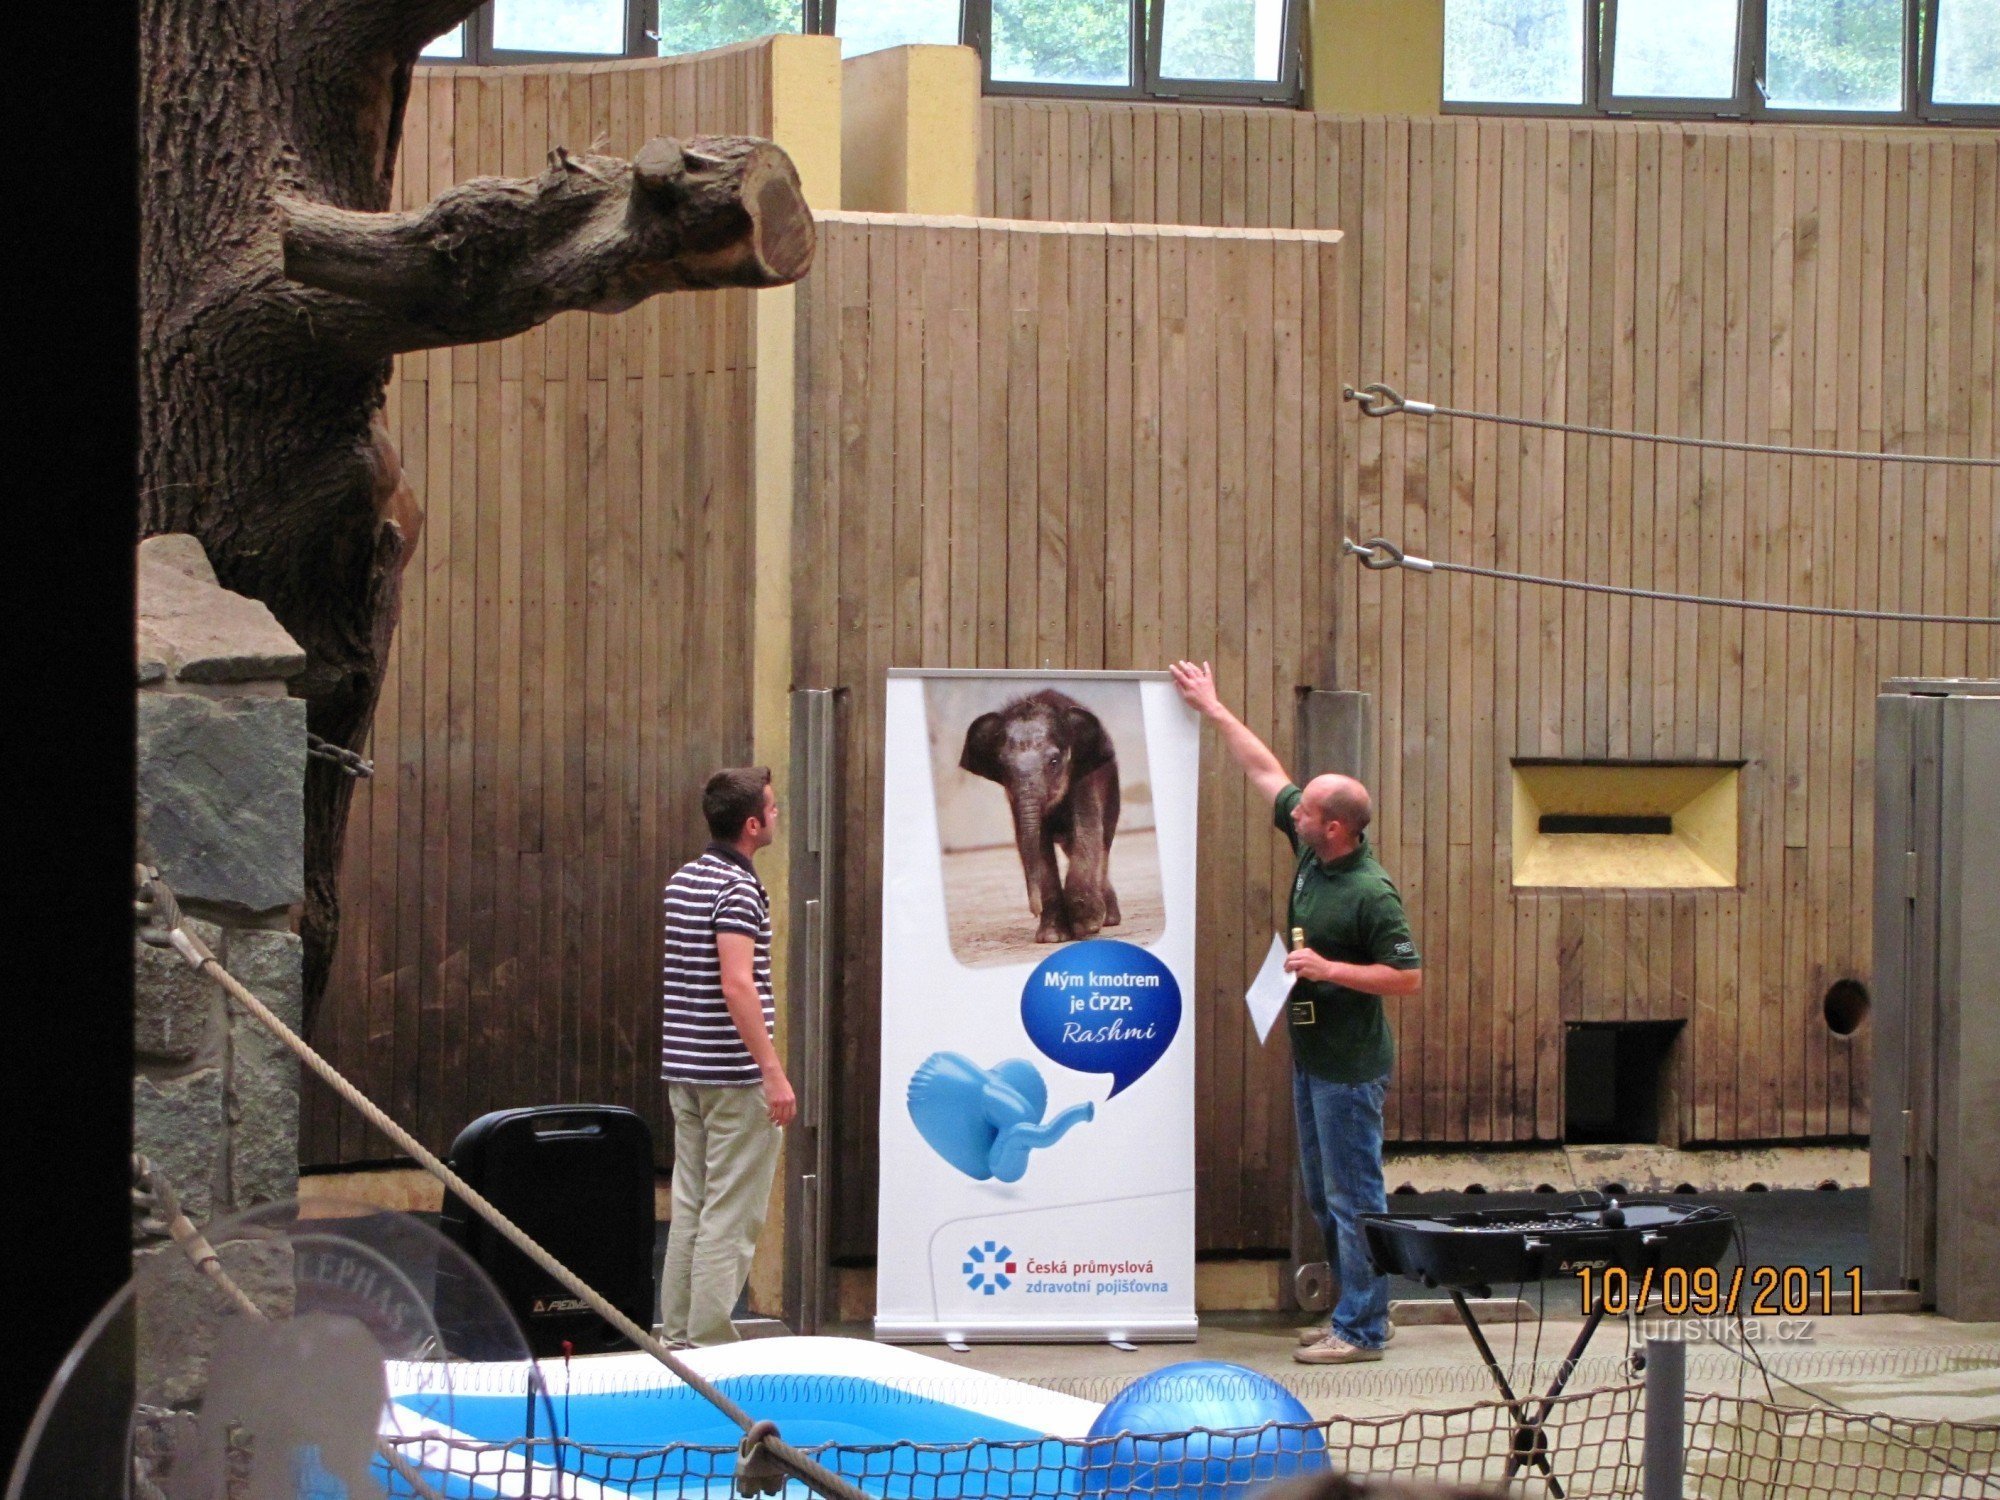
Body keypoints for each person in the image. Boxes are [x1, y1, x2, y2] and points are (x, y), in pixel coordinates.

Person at [1169, 661, 1423, 1365]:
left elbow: (1407, 978)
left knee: (1354, 1197)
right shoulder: (1312, 850)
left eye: (1305, 810)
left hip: (1349, 1069)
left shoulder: (1371, 893)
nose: (1292, 811)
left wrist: (1328, 970)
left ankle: (1364, 1331)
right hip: (1313, 1061)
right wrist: (1213, 707)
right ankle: (1359, 1307)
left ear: (1334, 827)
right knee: (1323, 1195)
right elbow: (1263, 770)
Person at [656, 766, 798, 1346]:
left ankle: (678, 1336)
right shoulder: (737, 889)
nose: (778, 812)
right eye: (772, 805)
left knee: (691, 1205)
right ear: (751, 824)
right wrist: (773, 1073)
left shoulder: (684, 879)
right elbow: (737, 983)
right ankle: (711, 1342)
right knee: (732, 1214)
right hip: (733, 1077)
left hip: (684, 1070)